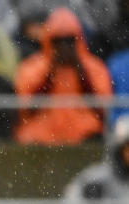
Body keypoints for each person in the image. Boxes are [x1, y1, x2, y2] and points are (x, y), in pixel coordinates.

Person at [13, 7, 111, 145]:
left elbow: (102, 110)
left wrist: (79, 70)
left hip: (84, 137)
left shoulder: (94, 67)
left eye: (69, 40)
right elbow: (27, 110)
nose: (64, 46)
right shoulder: (31, 67)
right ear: (49, 40)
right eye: (58, 41)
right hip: (42, 137)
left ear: (78, 39)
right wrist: (51, 71)